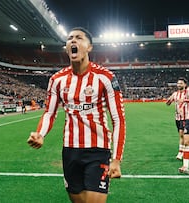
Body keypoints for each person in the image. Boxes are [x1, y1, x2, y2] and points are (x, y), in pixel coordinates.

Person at [27, 27, 126, 203]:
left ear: (89, 47)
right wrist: (40, 134)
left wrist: (116, 160)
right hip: (70, 151)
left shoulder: (105, 77)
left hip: (98, 150)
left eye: (79, 38)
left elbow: (118, 120)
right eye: (70, 38)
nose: (73, 41)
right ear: (66, 48)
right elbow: (50, 112)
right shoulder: (57, 80)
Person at [166, 77, 187, 160]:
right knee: (181, 135)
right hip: (177, 117)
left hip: (185, 117)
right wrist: (169, 101)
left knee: (182, 134)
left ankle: (181, 152)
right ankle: (185, 149)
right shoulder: (175, 94)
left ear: (185, 84)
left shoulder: (188, 93)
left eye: (181, 83)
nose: (179, 85)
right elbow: (168, 103)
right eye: (178, 83)